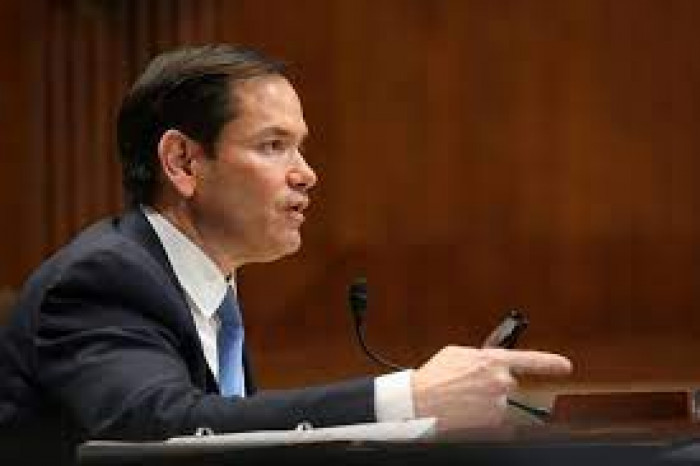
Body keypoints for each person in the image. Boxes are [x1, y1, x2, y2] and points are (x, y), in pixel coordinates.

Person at [0, 44, 571, 463]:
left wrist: (428, 417)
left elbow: (230, 438)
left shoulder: (204, 288)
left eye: (300, 147)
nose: (307, 174)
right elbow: (161, 429)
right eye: (273, 146)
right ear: (183, 162)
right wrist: (407, 399)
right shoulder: (105, 276)